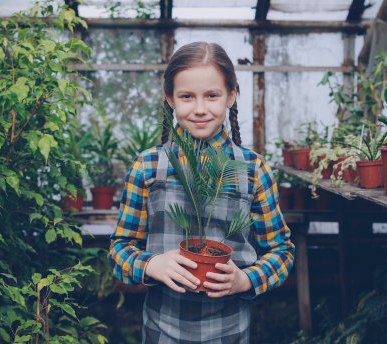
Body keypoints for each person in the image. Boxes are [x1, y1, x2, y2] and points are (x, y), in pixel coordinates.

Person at [108, 41, 295, 343]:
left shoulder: (253, 170)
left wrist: (246, 279)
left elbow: (282, 252)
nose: (199, 109)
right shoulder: (148, 167)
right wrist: (151, 264)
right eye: (186, 96)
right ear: (170, 98)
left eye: (212, 95)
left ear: (231, 95)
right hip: (161, 331)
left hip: (230, 331)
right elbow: (119, 250)